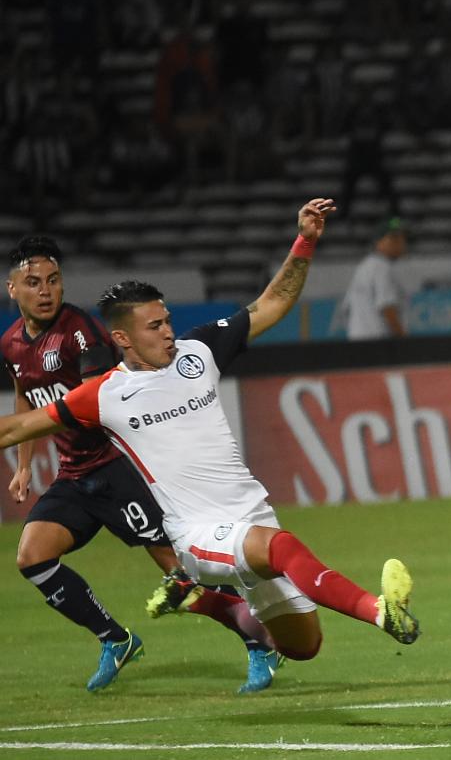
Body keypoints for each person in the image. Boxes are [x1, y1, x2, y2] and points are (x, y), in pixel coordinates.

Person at [0, 199, 421, 687]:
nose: (169, 332)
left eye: (168, 320)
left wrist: (305, 240)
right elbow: (17, 425)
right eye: (155, 326)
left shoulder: (198, 352)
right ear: (123, 338)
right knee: (279, 548)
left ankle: (219, 612)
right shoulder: (103, 393)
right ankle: (381, 612)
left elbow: (271, 304)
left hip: (250, 513)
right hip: (198, 533)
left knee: (303, 645)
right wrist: (26, 464)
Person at [4, 236, 281, 693]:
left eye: (53, 280)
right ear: (12, 288)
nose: (45, 290)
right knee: (32, 557)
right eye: (33, 282)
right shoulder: (11, 343)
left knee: (182, 573)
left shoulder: (81, 332)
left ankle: (259, 643)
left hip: (117, 469)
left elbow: (100, 397)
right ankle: (115, 638)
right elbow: (23, 391)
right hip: (75, 473)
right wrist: (23, 464)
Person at [334, 217, 408, 340]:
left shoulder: (363, 267)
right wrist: (403, 338)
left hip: (357, 340)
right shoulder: (382, 267)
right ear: (378, 242)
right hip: (378, 344)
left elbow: (347, 310)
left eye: (401, 239)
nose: (400, 243)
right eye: (394, 239)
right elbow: (387, 307)